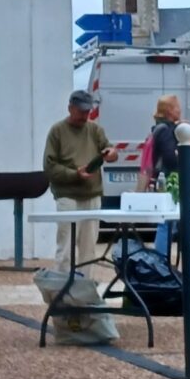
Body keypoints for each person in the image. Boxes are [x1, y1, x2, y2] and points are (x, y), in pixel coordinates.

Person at [43, 89, 118, 276]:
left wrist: (112, 154)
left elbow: (110, 150)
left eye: (88, 111)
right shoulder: (57, 131)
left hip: (92, 195)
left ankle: (83, 288)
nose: (85, 115)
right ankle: (61, 288)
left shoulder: (95, 130)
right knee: (66, 246)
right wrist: (74, 174)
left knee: (89, 249)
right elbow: (49, 166)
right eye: (81, 111)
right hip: (67, 195)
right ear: (70, 108)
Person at [150, 95, 182, 257]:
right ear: (169, 110)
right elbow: (171, 157)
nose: (180, 110)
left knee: (168, 223)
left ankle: (163, 260)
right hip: (169, 181)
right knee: (166, 222)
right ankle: (161, 261)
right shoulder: (166, 130)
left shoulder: (161, 127)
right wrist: (185, 147)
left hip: (166, 180)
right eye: (177, 107)